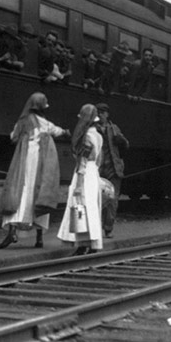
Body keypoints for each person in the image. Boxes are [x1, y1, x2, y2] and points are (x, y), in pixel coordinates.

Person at [0, 92, 69, 249]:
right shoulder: (46, 123)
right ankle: (39, 238)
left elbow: (13, 136)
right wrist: (65, 131)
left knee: (19, 191)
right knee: (39, 194)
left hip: (24, 161)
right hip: (41, 163)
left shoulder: (24, 121)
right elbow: (58, 131)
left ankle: (12, 231)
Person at [56, 104, 104, 255]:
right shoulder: (98, 135)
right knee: (91, 209)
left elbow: (82, 162)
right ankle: (92, 243)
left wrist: (78, 184)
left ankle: (83, 243)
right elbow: (99, 160)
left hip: (83, 174)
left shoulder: (86, 137)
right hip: (93, 173)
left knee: (80, 207)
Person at [96, 103, 130, 238]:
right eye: (98, 112)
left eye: (102, 112)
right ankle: (97, 227)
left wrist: (121, 141)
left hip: (113, 169)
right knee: (98, 199)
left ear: (107, 114)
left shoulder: (114, 128)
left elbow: (126, 145)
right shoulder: (93, 129)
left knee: (112, 200)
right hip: (98, 169)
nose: (100, 115)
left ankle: (108, 228)